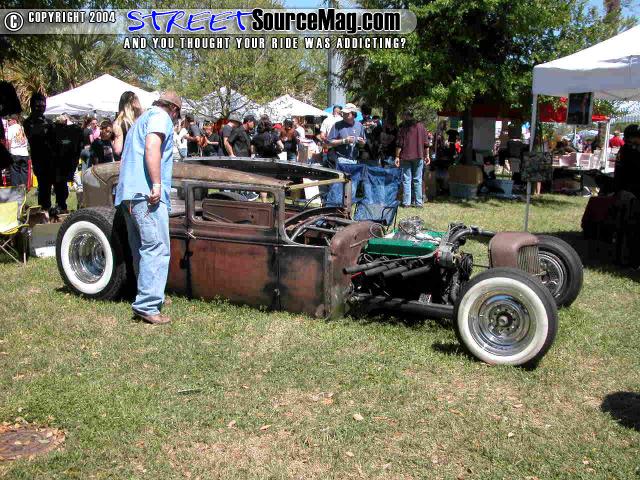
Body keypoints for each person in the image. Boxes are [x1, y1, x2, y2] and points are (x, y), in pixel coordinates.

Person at [114, 91, 182, 325]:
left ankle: (149, 295)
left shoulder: (140, 119)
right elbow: (153, 147)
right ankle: (148, 305)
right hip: (146, 194)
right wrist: (156, 184)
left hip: (128, 194)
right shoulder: (161, 118)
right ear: (174, 110)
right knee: (156, 248)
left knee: (141, 248)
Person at [24, 92, 65, 217]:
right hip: (40, 161)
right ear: (32, 106)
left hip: (54, 160)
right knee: (44, 188)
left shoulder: (48, 121)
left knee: (60, 186)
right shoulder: (28, 122)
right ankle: (44, 212)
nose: (41, 108)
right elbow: (34, 135)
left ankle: (61, 208)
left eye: (43, 106)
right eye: (38, 106)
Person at [395, 109, 429, 208]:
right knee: (418, 179)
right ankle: (419, 203)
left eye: (403, 115)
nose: (402, 117)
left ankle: (407, 203)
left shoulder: (403, 127)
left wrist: (397, 156)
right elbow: (426, 143)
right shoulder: (421, 126)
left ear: (406, 115)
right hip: (419, 155)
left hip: (406, 156)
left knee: (407, 180)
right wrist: (427, 155)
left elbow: (399, 144)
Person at [113, 91, 142, 161]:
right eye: (137, 99)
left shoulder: (119, 123)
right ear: (132, 102)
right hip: (139, 161)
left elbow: (117, 150)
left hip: (127, 162)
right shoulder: (140, 122)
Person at [614, 125, 640, 198]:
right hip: (630, 191)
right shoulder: (629, 151)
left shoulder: (625, 148)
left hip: (624, 189)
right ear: (631, 138)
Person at [6, 114, 29, 186]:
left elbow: (9, 141)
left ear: (14, 120)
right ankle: (23, 188)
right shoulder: (22, 127)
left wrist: (8, 152)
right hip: (24, 153)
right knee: (24, 172)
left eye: (9, 120)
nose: (8, 122)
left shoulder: (11, 128)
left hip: (15, 152)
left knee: (14, 172)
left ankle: (16, 189)